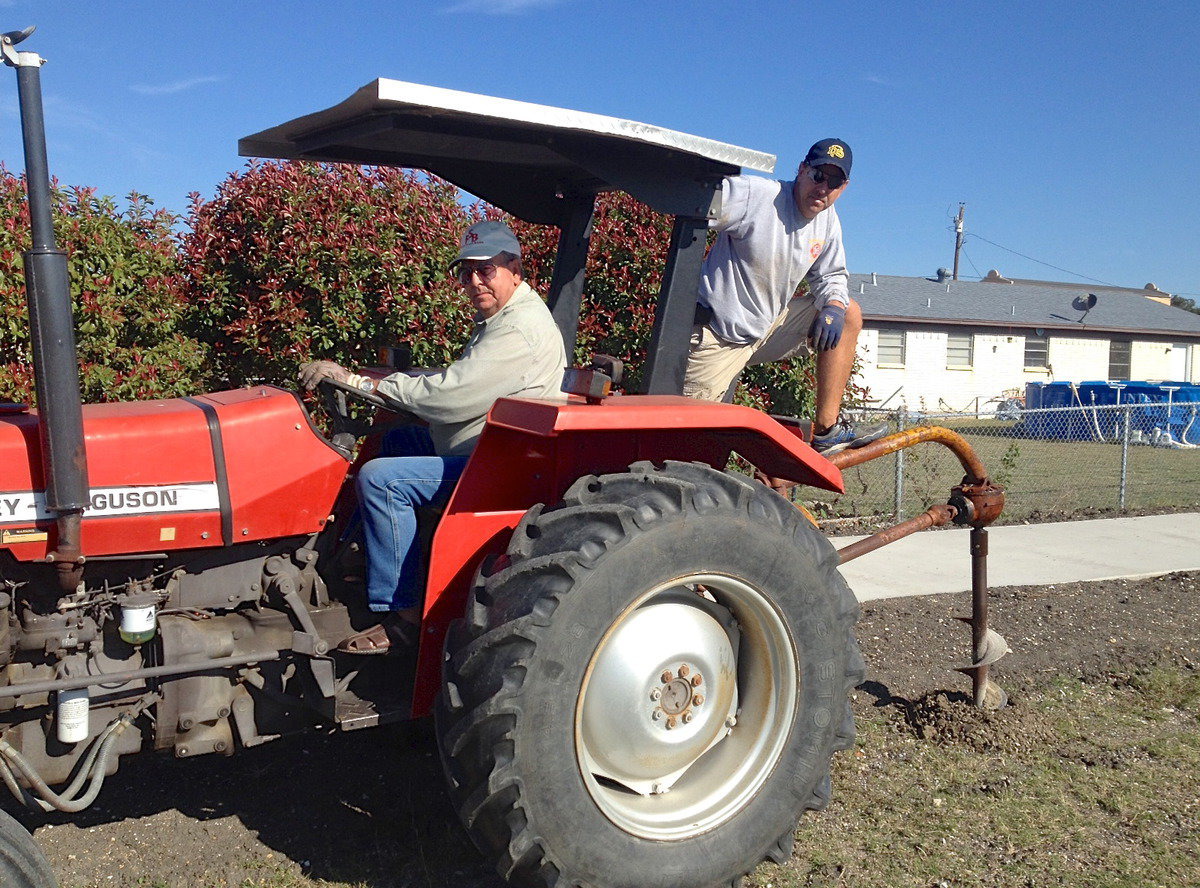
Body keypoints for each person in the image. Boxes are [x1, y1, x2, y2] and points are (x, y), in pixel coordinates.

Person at [299, 221, 567, 653]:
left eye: (486, 270)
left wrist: (367, 385)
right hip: (479, 444)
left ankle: (402, 616)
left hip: (495, 464)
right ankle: (355, 556)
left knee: (381, 480)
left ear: (514, 268)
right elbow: (458, 377)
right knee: (395, 440)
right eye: (466, 273)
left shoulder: (518, 330)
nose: (475, 281)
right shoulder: (502, 317)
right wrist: (376, 377)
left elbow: (451, 396)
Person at [683, 138, 886, 455]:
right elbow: (694, 203)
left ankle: (827, 431)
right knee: (688, 447)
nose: (823, 189)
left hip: (764, 329)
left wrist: (833, 304)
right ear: (802, 169)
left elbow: (831, 275)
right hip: (717, 335)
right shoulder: (758, 196)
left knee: (847, 313)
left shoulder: (827, 221)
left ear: (844, 187)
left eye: (834, 182)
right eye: (818, 175)